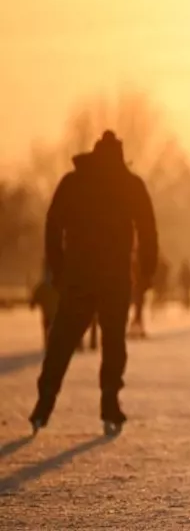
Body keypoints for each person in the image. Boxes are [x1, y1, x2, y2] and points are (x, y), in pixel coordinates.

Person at [30, 131, 158, 436]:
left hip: (79, 275)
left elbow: (53, 225)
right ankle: (110, 404)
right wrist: (146, 273)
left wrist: (58, 268)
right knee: (113, 343)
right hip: (114, 278)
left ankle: (43, 404)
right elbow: (148, 231)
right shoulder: (130, 185)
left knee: (62, 341)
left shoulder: (73, 182)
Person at [29, 263, 59, 352]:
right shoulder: (44, 287)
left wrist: (33, 303)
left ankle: (50, 345)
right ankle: (49, 345)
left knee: (50, 330)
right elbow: (34, 299)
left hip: (53, 314)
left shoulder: (43, 287)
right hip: (53, 314)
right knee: (50, 330)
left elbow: (34, 300)